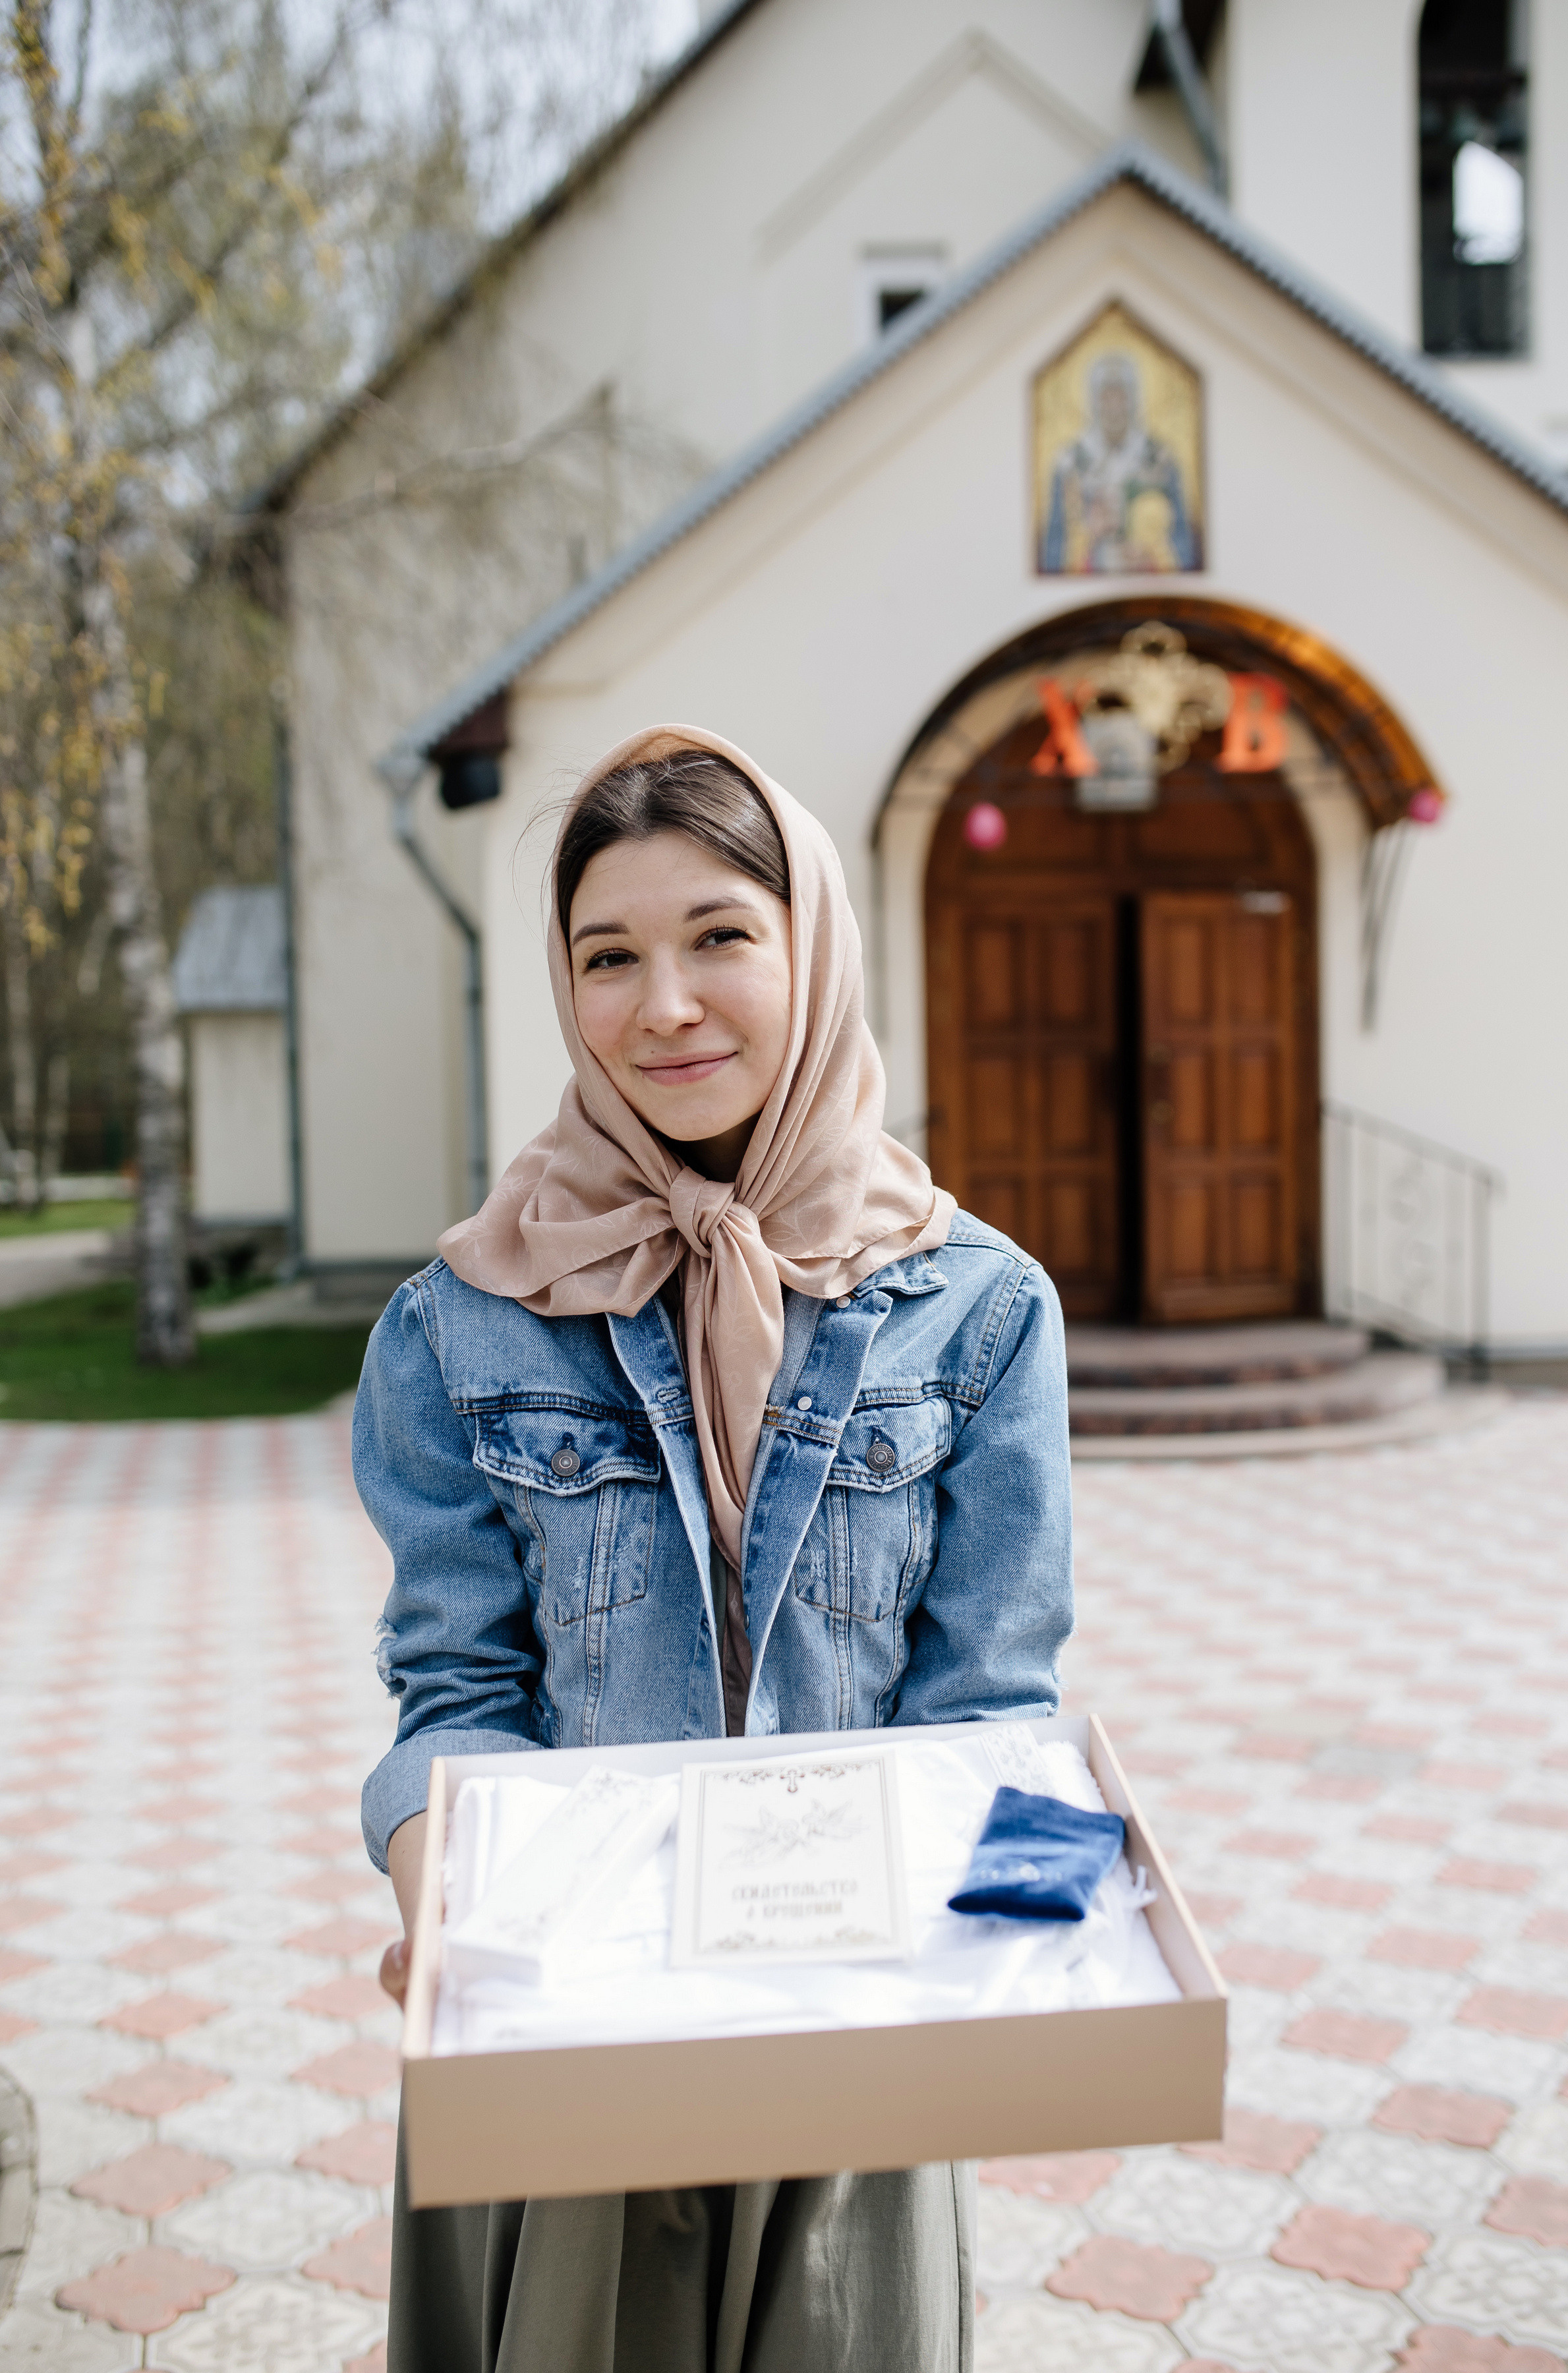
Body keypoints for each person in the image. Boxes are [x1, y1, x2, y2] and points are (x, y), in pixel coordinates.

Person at [355, 724, 1074, 2373]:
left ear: (809, 947)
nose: (660, 1003)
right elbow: (451, 1695)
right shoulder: (459, 1321)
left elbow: (990, 1701)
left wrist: (1048, 1945)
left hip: (853, 2038)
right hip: (565, 2028)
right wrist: (442, 1897)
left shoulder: (976, 1307)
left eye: (719, 937)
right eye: (607, 954)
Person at [1040, 349, 1200, 574]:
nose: (1114, 407)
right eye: (1106, 397)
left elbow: (1181, 538)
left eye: (1121, 396)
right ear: (1093, 401)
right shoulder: (1070, 462)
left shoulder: (1160, 459)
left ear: (1134, 399)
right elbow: (1056, 542)